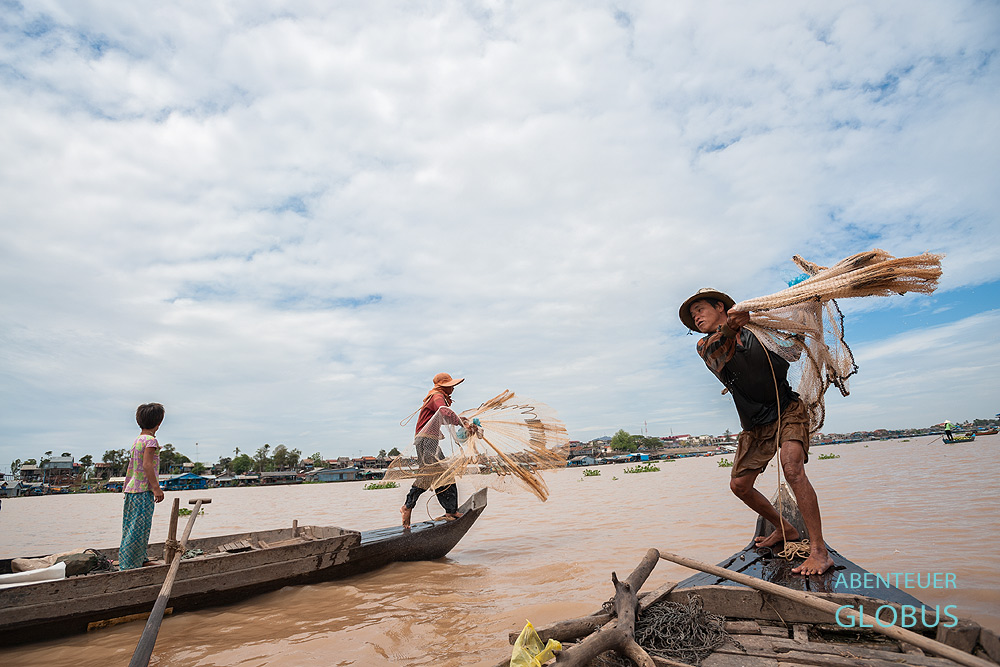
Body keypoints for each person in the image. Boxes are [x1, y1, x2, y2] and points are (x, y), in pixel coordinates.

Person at [680, 288, 834, 576]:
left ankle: (819, 552)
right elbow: (718, 349)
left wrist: (801, 312)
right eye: (693, 315)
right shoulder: (705, 345)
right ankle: (784, 527)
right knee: (739, 485)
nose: (697, 316)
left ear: (721, 307)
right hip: (755, 424)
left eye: (700, 309)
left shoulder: (759, 332)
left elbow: (793, 351)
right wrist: (732, 326)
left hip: (787, 409)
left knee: (792, 468)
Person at [400, 373, 470, 529]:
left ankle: (451, 511)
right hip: (426, 441)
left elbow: (443, 417)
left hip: (430, 440)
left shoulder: (436, 397)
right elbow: (444, 411)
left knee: (443, 475)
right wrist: (459, 422)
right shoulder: (436, 396)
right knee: (429, 475)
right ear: (443, 386)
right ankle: (407, 506)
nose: (453, 388)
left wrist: (461, 421)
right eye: (451, 385)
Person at [119, 402, 166, 569]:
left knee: (131, 526)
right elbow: (147, 465)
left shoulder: (138, 440)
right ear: (158, 423)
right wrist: (156, 488)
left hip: (132, 490)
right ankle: (130, 565)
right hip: (142, 490)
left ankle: (141, 559)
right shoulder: (151, 441)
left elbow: (133, 467)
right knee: (139, 528)